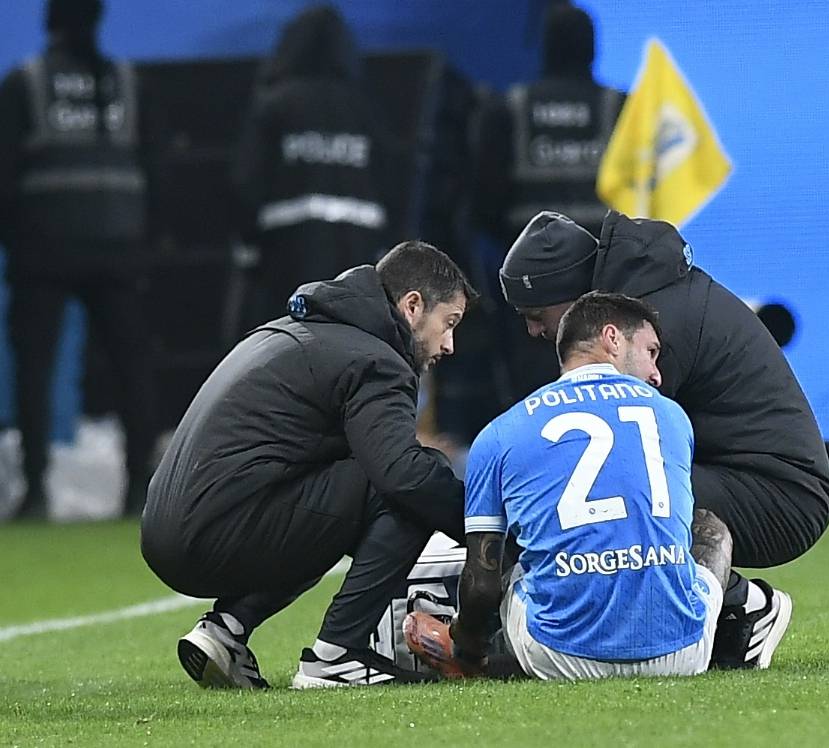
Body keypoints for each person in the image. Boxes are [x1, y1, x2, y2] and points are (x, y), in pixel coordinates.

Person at [495, 210, 829, 669]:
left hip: (783, 495)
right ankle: (726, 618)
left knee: (616, 493)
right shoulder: (644, 304)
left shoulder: (649, 330)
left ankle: (747, 604)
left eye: (536, 315)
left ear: (571, 299)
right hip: (751, 475)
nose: (533, 331)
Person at [141, 241, 476, 689]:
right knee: (409, 481)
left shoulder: (293, 331)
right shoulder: (377, 360)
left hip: (166, 529)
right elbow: (404, 476)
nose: (449, 344)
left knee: (344, 487)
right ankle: (338, 653)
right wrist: (486, 532)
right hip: (218, 527)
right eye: (448, 323)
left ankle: (227, 629)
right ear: (412, 306)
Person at [405, 292, 740, 680]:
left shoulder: (500, 432)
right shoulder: (671, 415)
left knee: (516, 561)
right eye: (651, 352)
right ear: (612, 339)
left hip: (557, 655)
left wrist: (466, 646)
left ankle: (467, 656)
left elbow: (481, 587)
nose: (656, 374)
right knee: (711, 530)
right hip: (683, 655)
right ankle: (746, 614)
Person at [0, 0, 157, 519]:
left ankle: (35, 491)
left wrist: (15, 242)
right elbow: (157, 170)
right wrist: (145, 244)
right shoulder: (128, 83)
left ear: (50, 21)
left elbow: (3, 177)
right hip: (119, 249)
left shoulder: (26, 82)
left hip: (42, 251)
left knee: (35, 371)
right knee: (132, 369)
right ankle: (140, 489)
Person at [472, 3, 625, 403]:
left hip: (530, 288)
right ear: (593, 49)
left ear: (544, 48)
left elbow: (482, 202)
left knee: (534, 394)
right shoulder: (623, 109)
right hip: (606, 279)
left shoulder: (509, 108)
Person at [231, 4, 393, 330]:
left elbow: (246, 181)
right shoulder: (364, 109)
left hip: (286, 256)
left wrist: (248, 246)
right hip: (358, 254)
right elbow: (391, 178)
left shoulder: (274, 104)